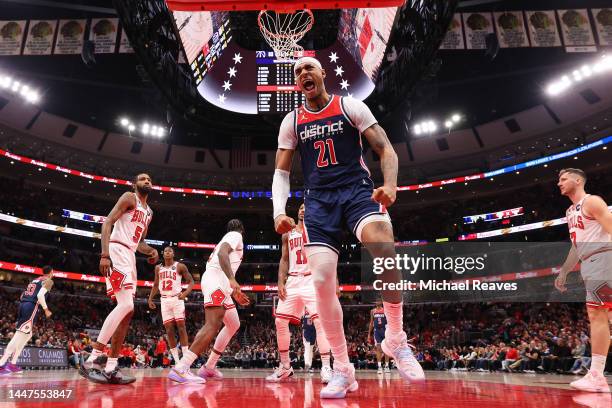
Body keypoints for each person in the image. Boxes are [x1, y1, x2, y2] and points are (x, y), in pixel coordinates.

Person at [272, 56, 424, 398]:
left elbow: (384, 147)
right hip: (319, 202)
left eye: (309, 67)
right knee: (323, 281)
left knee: (384, 248)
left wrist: (391, 184)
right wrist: (278, 210)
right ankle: (342, 369)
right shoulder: (292, 121)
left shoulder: (349, 105)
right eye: (297, 71)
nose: (303, 73)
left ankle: (396, 340)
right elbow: (281, 172)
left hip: (357, 191)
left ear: (323, 74)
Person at [80, 173, 159, 384]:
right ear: (135, 184)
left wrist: (151, 251)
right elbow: (107, 223)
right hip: (116, 251)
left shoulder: (149, 212)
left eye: (149, 179)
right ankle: (92, 359)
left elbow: (139, 242)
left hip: (130, 256)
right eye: (142, 179)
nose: (147, 181)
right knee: (126, 305)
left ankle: (112, 367)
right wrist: (104, 254)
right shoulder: (129, 197)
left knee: (127, 312)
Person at [168, 219, 250, 384]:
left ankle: (209, 367)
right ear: (242, 231)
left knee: (233, 323)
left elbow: (223, 260)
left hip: (220, 284)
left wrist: (232, 290)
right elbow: (222, 255)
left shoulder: (225, 239)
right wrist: (232, 280)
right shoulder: (235, 235)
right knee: (212, 324)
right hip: (217, 281)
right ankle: (182, 367)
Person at [555, 168, 612, 393]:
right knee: (606, 315)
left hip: (603, 259)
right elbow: (576, 245)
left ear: (578, 180)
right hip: (590, 262)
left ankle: (597, 375)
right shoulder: (570, 211)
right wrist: (565, 271)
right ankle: (597, 374)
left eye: (563, 179)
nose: (559, 183)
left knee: (597, 315)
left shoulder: (592, 201)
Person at [266, 203, 333, 383]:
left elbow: (327, 255)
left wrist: (334, 281)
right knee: (280, 321)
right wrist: (280, 281)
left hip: (312, 279)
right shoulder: (288, 232)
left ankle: (326, 366)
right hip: (293, 280)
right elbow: (284, 259)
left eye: (306, 207)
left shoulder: (317, 228)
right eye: (301, 207)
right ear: (297, 212)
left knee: (320, 321)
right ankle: (286, 366)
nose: (303, 209)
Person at [0, 266, 54, 375]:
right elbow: (39, 295)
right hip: (31, 307)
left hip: (23, 305)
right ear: (51, 273)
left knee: (27, 335)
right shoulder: (49, 280)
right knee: (19, 335)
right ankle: (1, 364)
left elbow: (22, 296)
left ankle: (13, 364)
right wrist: (46, 309)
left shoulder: (34, 280)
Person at [148, 246, 194, 365]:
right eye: (166, 251)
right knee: (169, 330)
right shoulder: (158, 268)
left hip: (177, 298)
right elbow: (155, 285)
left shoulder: (180, 266)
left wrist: (185, 293)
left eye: (170, 251)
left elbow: (191, 282)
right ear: (163, 254)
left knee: (181, 327)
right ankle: (177, 361)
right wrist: (150, 299)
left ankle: (185, 359)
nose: (168, 252)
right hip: (164, 300)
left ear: (173, 254)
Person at [368, 299, 390, 374]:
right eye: (376, 301)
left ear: (381, 302)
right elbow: (371, 323)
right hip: (376, 331)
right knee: (378, 349)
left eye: (379, 301)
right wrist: (368, 334)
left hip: (385, 330)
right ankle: (379, 367)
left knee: (386, 349)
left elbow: (389, 321)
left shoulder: (385, 310)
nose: (377, 302)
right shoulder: (372, 311)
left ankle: (387, 366)